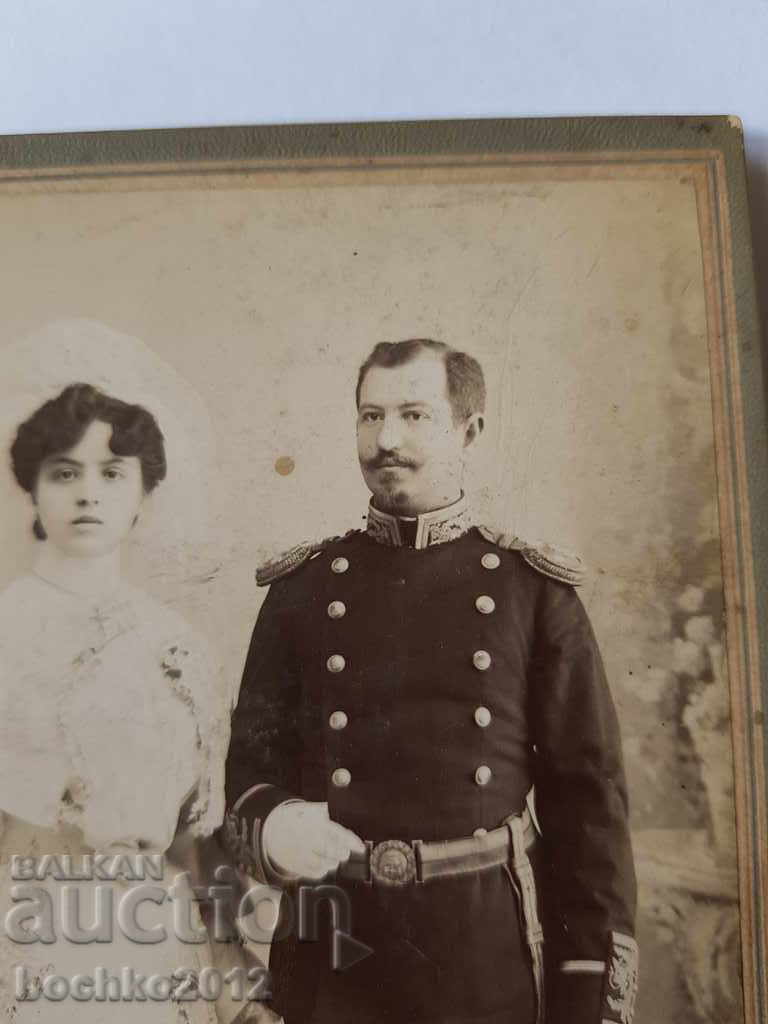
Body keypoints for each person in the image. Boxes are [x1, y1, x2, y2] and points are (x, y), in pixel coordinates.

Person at [223, 339, 637, 1024]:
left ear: (468, 431)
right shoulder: (302, 590)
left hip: (484, 954)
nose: (386, 439)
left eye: (414, 415)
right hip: (332, 954)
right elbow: (247, 779)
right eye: (371, 416)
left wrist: (587, 988)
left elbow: (588, 804)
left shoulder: (531, 592)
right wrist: (273, 829)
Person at [0, 383, 228, 1023]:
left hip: (153, 945)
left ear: (143, 495)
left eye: (112, 473)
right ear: (34, 490)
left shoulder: (176, 643)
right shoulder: (7, 628)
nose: (88, 493)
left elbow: (192, 842)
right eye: (64, 472)